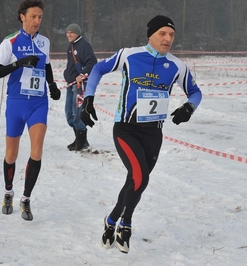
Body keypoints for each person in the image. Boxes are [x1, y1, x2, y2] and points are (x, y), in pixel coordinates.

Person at [81, 15, 202, 254]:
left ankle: (113, 218)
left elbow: (195, 92)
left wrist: (189, 107)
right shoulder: (129, 55)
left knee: (134, 181)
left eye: (172, 35)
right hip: (126, 129)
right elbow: (98, 68)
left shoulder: (178, 66)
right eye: (163, 34)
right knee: (140, 177)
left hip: (153, 134)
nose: (168, 39)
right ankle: (126, 224)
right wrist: (88, 97)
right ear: (151, 35)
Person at [0, 0, 61, 221]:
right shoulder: (9, 42)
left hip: (38, 103)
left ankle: (26, 198)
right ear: (23, 16)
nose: (37, 21)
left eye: (40, 17)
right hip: (16, 103)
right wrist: (19, 63)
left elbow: (47, 65)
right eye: (33, 16)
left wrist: (52, 85)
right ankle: (8, 192)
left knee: (37, 151)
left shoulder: (44, 41)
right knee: (11, 154)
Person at [63, 23, 97, 151]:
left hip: (79, 85)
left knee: (77, 113)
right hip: (71, 84)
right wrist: (66, 74)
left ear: (77, 33)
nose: (69, 34)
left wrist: (82, 75)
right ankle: (79, 139)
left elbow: (92, 62)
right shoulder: (71, 46)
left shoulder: (84, 46)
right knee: (69, 113)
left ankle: (81, 142)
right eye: (67, 32)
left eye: (71, 32)